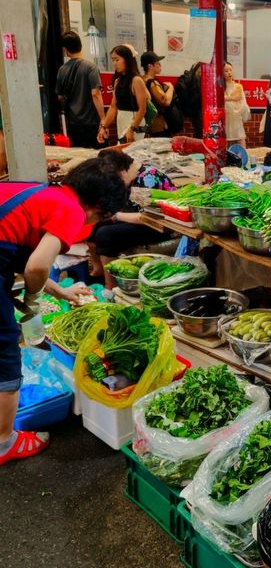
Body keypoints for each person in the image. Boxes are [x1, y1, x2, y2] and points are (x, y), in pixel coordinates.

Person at [0, 159, 127, 466]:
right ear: (100, 209)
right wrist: (31, 305)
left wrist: (60, 291)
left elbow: (19, 250)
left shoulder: (44, 192)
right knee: (5, 351)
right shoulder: (72, 212)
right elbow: (37, 266)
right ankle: (5, 442)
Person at [87, 150, 176, 288]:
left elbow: (147, 217)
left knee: (105, 234)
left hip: (158, 225)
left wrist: (115, 216)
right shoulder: (130, 177)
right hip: (134, 218)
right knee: (94, 225)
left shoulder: (148, 178)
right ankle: (98, 268)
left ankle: (110, 286)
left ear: (122, 170)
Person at [55, 31, 105, 149]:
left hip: (74, 123)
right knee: (96, 158)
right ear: (80, 45)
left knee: (80, 158)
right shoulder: (90, 67)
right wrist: (103, 118)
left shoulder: (62, 70)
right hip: (92, 123)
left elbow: (60, 96)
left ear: (65, 50)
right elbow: (96, 94)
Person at [97, 45, 150, 145]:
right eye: (113, 60)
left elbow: (142, 109)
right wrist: (104, 127)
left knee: (133, 155)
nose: (114, 63)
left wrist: (131, 129)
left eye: (117, 60)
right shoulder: (118, 82)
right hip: (121, 121)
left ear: (127, 59)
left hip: (135, 123)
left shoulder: (137, 80)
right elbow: (113, 107)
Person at [140, 50, 177, 137]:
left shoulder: (140, 80)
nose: (160, 66)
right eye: (158, 63)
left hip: (147, 123)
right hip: (157, 125)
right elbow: (165, 101)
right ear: (150, 66)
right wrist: (170, 87)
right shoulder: (152, 82)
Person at [223, 61, 249, 148]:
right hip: (225, 117)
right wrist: (233, 99)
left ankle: (244, 157)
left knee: (240, 137)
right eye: (226, 71)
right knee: (224, 138)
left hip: (236, 116)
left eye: (230, 70)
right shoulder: (220, 86)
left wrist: (236, 111)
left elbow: (243, 102)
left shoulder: (238, 86)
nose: (229, 72)